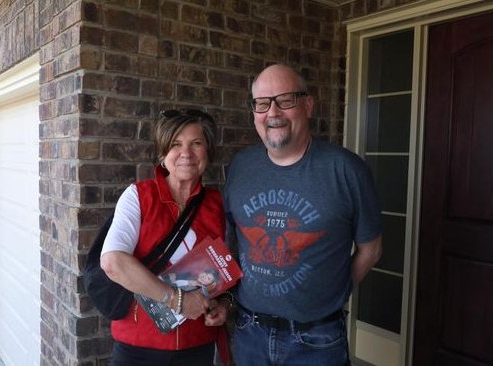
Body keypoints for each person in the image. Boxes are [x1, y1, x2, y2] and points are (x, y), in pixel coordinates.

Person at [223, 64, 382, 366]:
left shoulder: (347, 170)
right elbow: (231, 238)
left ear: (308, 105)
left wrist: (334, 290)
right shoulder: (240, 167)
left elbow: (371, 250)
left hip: (317, 339)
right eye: (262, 103)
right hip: (248, 332)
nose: (273, 113)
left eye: (285, 100)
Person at [100, 109, 230, 366]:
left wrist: (224, 306)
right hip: (138, 347)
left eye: (196, 143)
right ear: (163, 154)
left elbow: (228, 270)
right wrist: (178, 300)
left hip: (198, 345)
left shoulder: (219, 204)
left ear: (208, 152)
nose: (186, 153)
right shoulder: (138, 196)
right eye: (175, 144)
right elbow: (113, 263)